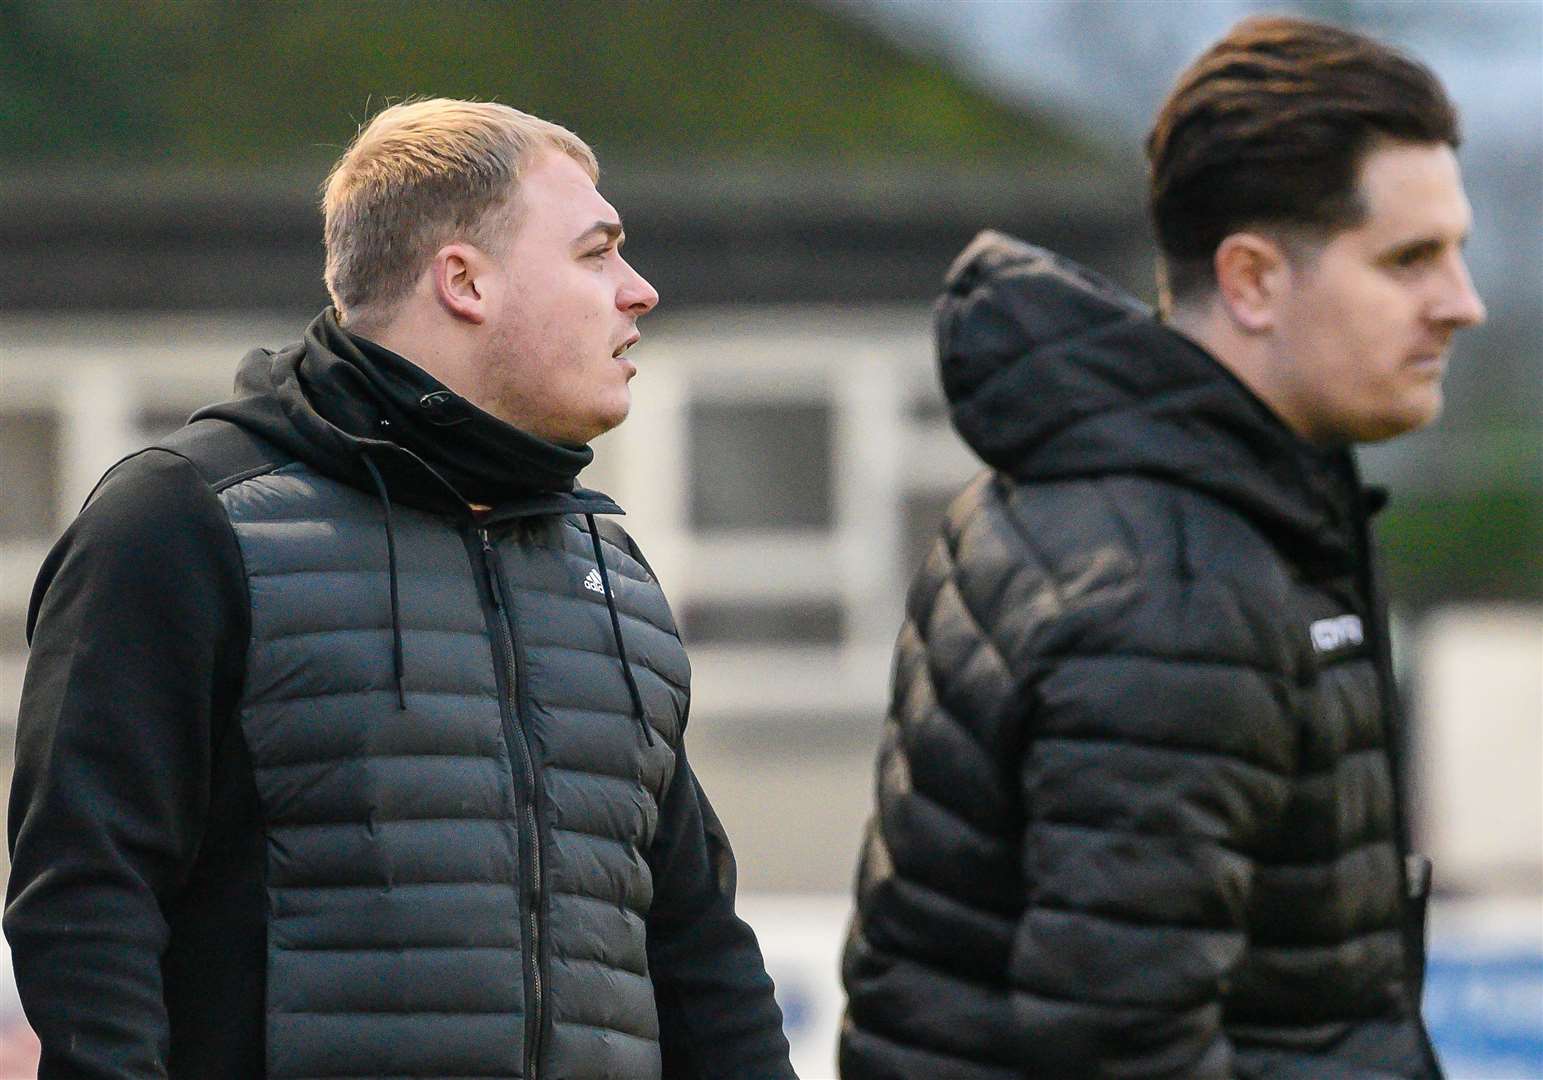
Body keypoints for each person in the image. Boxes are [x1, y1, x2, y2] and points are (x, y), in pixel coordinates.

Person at [6, 98, 795, 1080]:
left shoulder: (608, 572)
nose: (638, 292)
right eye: (596, 254)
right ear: (464, 281)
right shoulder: (181, 522)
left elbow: (696, 953)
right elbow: (86, 909)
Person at [841, 16, 1484, 1080]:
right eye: (1410, 259)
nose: (1461, 303)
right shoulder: (1168, 583)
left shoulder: (1186, 514)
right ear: (1252, 280)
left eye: (1456, 253)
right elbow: (1121, 1048)